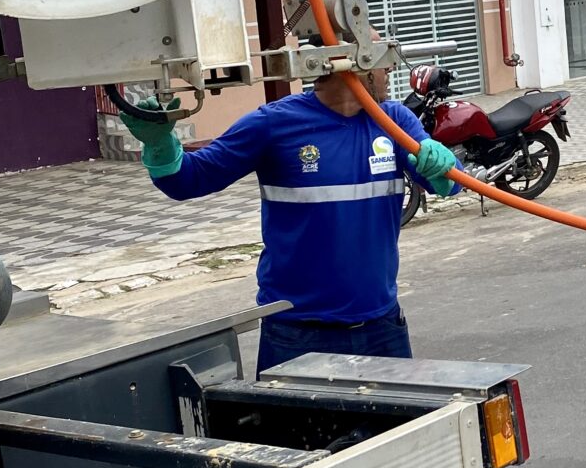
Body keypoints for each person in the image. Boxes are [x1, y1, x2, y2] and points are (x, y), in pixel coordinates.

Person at [120, 65, 459, 374]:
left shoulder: (393, 120)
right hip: (296, 335)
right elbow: (187, 181)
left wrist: (445, 170)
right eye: (378, 57)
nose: (389, 67)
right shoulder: (274, 124)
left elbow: (449, 183)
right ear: (347, 66)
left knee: (402, 439)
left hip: (381, 329)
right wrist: (160, 144)